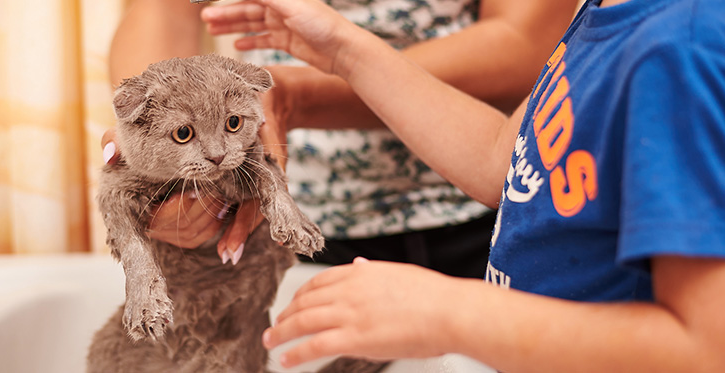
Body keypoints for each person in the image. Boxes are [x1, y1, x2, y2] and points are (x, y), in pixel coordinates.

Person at [199, 0, 725, 370]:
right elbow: (505, 157)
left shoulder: (686, 50)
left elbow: (715, 356)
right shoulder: (618, 10)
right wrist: (348, 53)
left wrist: (452, 310)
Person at [103, 0, 578, 278]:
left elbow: (529, 43)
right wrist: (156, 147)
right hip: (287, 225)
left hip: (483, 217)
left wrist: (305, 94)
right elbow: (159, 14)